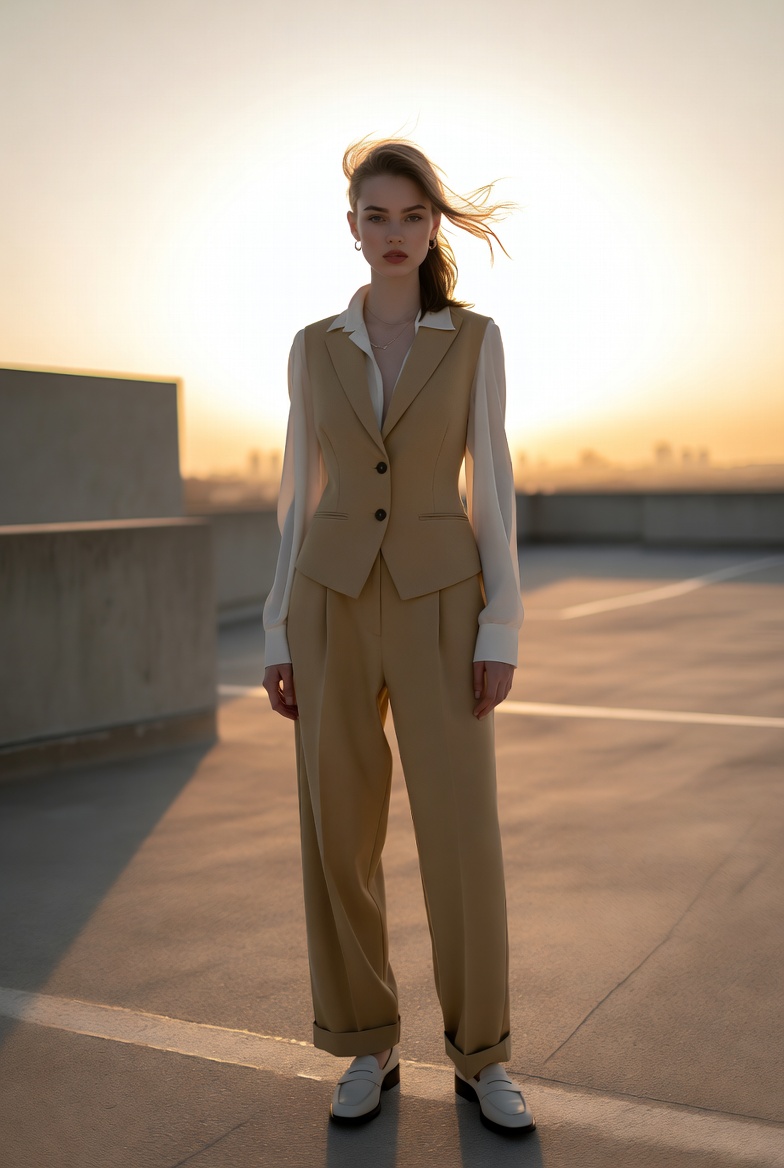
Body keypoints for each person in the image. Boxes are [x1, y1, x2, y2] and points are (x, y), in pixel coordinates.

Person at [262, 138, 534, 1136]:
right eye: (374, 216)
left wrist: (499, 621)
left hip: (440, 602)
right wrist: (274, 632)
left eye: (410, 216)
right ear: (352, 227)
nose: (393, 234)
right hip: (326, 600)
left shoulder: (473, 339)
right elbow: (299, 492)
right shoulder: (310, 345)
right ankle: (364, 1041)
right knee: (337, 833)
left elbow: (491, 485)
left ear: (433, 225)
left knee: (460, 834)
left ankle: (482, 1055)